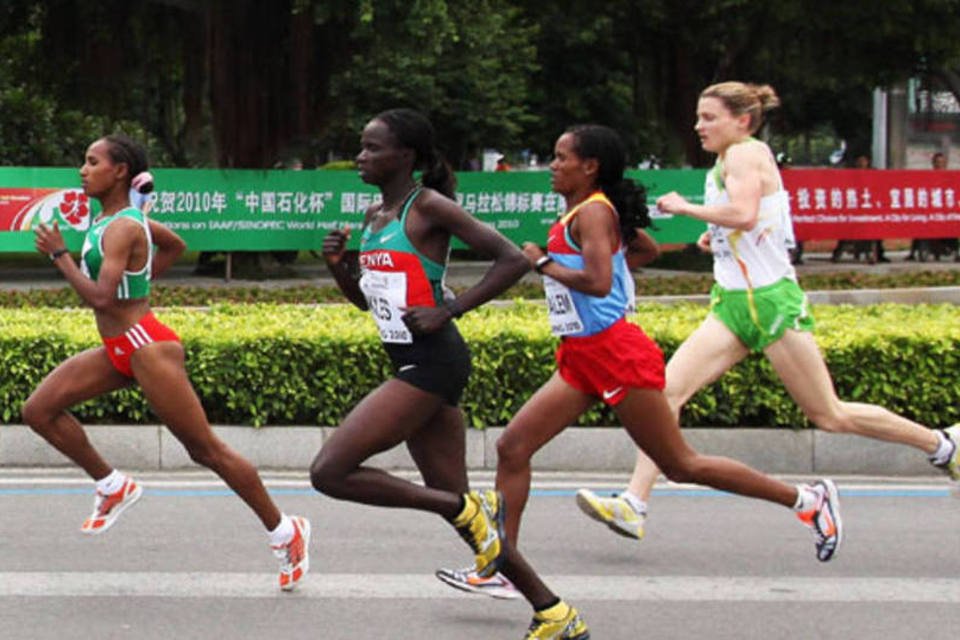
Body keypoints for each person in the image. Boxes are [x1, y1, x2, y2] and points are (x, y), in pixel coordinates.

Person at [436, 122, 844, 602]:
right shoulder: (590, 211)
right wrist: (592, 264)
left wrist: (543, 264)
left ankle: (808, 500)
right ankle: (501, 566)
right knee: (513, 447)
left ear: (590, 167)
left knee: (681, 464)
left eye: (561, 157)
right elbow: (643, 249)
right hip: (582, 355)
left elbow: (596, 281)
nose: (553, 165)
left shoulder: (592, 213)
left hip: (615, 353)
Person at [570, 82, 959, 544]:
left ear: (743, 120)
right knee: (666, 394)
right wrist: (714, 236)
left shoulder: (744, 154)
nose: (699, 126)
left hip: (770, 303)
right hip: (734, 303)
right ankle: (634, 503)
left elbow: (745, 213)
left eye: (709, 117)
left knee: (829, 414)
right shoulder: (730, 159)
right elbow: (750, 221)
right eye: (698, 117)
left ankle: (942, 445)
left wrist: (686, 208)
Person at [312, 108, 590, 639]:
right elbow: (370, 305)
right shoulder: (374, 216)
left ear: (406, 157)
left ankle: (469, 507)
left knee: (329, 471)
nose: (361, 158)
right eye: (361, 147)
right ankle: (555, 614)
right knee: (462, 516)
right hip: (409, 359)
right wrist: (340, 269)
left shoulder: (429, 207)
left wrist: (449, 309)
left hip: (433, 362)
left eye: (372, 149)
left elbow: (510, 259)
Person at [26, 134, 310, 590]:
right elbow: (174, 245)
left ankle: (285, 531)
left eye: (92, 161)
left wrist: (60, 255)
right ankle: (111, 485)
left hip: (146, 347)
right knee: (38, 410)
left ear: (119, 171)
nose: (83, 169)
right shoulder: (119, 219)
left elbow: (98, 295)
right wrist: (138, 285)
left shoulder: (122, 227)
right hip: (122, 348)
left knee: (206, 451)